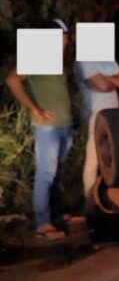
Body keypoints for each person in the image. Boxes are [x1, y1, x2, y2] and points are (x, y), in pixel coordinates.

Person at [4, 18, 77, 240]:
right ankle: (43, 224)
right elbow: (12, 80)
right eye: (63, 37)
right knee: (46, 175)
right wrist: (34, 108)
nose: (66, 41)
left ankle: (56, 215)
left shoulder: (55, 60)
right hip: (47, 128)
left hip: (63, 125)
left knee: (56, 174)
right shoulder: (36, 57)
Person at [77, 60, 119, 196]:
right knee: (93, 160)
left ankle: (104, 197)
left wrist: (106, 79)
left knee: (112, 161)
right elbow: (103, 86)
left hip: (113, 115)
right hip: (96, 116)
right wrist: (114, 79)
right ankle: (89, 198)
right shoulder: (84, 61)